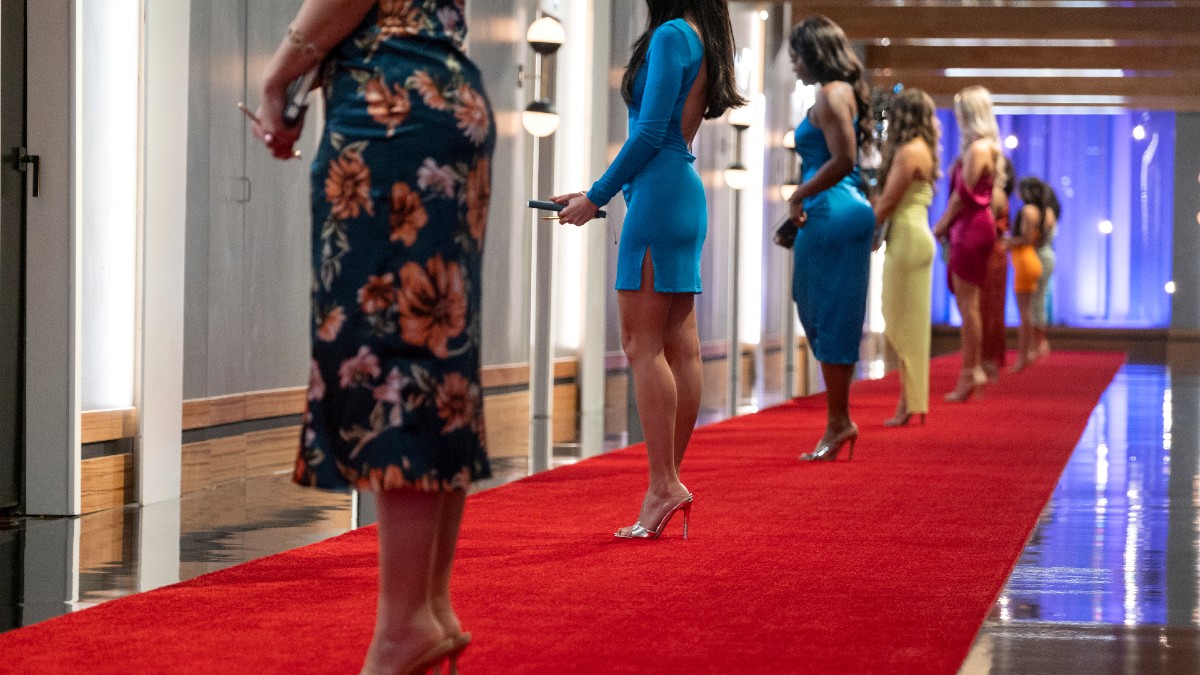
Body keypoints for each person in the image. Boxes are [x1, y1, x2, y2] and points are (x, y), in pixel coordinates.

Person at [250, 2, 494, 672]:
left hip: (390, 111)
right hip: (443, 93)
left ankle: (403, 625)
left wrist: (276, 78)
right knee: (431, 346)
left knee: (389, 347)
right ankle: (429, 608)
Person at [553, 0, 745, 537]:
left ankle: (664, 483)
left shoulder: (669, 36)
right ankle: (668, 481)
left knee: (641, 346)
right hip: (676, 193)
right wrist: (599, 193)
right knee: (679, 343)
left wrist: (596, 196)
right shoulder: (698, 36)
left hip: (659, 198)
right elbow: (662, 136)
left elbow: (648, 133)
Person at [785, 16, 875, 460]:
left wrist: (798, 193)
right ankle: (838, 418)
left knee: (827, 312)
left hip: (832, 211)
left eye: (796, 55)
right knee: (816, 305)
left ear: (816, 53)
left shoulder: (831, 94)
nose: (793, 64)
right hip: (833, 212)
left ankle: (839, 419)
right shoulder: (839, 93)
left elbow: (843, 159)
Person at [871, 88, 938, 428]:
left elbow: (887, 203)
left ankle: (909, 402)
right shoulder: (925, 150)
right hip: (918, 235)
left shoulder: (907, 152)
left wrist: (866, 230)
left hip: (907, 238)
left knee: (897, 319)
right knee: (912, 324)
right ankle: (913, 401)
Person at [933, 86, 1002, 402]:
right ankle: (970, 369)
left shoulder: (978, 149)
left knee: (968, 305)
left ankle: (969, 370)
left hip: (970, 227)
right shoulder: (982, 148)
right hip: (972, 226)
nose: (957, 118)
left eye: (961, 112)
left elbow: (963, 196)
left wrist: (942, 223)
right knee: (968, 304)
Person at [1006, 177, 1050, 372]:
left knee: (1024, 315)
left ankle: (1022, 357)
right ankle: (1029, 352)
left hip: (1024, 260)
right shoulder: (1043, 212)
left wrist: (1005, 242)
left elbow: (1024, 238)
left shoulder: (1027, 210)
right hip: (1031, 260)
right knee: (1029, 312)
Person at [980, 156, 1015, 382]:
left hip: (990, 253)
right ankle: (988, 360)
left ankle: (988, 360)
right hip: (995, 253)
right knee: (992, 308)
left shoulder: (995, 194)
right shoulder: (998, 194)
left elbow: (986, 227)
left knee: (988, 309)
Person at [1030, 185, 1059, 360]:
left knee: (1038, 300)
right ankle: (1039, 341)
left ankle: (1040, 341)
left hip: (1042, 256)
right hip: (1043, 256)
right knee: (1039, 299)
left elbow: (1039, 239)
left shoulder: (1046, 213)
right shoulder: (1048, 212)